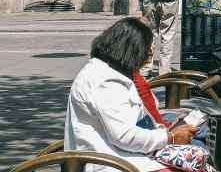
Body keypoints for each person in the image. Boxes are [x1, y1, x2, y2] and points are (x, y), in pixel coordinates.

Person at [66, 17, 201, 171]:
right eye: (147, 49)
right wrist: (170, 137)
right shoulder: (105, 81)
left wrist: (166, 132)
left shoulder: (111, 71)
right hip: (112, 162)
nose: (149, 54)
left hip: (123, 155)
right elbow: (124, 136)